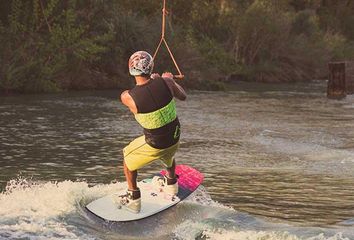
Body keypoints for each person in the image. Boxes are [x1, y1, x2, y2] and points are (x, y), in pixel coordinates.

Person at [119, 51, 187, 213]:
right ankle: (171, 183)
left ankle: (133, 197)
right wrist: (169, 80)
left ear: (131, 69)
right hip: (175, 137)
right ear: (151, 68)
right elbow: (183, 96)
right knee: (168, 155)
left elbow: (145, 96)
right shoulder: (166, 82)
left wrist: (160, 80)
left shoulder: (127, 96)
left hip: (155, 144)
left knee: (127, 157)